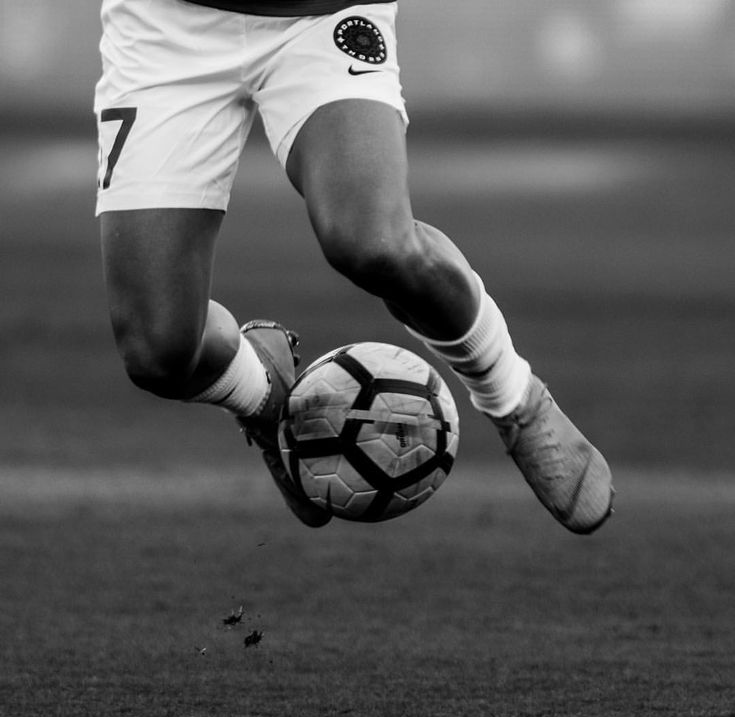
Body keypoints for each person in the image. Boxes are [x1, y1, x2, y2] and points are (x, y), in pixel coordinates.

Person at [94, 0, 614, 533]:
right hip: (166, 25)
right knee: (157, 350)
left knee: (373, 242)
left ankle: (512, 397)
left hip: (321, 13)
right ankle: (265, 397)